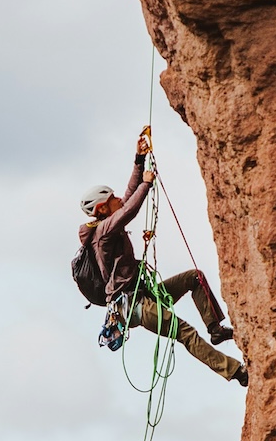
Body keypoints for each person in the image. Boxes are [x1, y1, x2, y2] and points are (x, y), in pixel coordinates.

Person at [79, 131, 248, 387]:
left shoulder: (107, 223)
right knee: (185, 333)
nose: (118, 200)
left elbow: (127, 197)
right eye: (112, 199)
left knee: (195, 277)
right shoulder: (102, 232)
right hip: (133, 305)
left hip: (142, 294)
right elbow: (130, 209)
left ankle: (215, 329)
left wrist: (139, 159)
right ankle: (236, 372)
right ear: (101, 208)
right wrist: (146, 183)